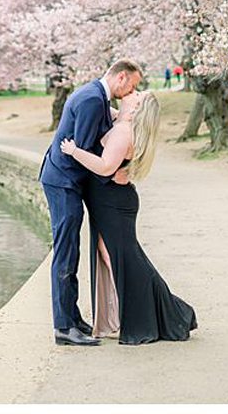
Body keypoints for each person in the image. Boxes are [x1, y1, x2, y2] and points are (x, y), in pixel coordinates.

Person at [64, 88, 199, 345]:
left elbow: (105, 167)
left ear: (137, 108)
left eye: (137, 94)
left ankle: (171, 313)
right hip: (110, 201)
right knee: (111, 255)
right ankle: (144, 312)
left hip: (113, 203)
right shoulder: (121, 121)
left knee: (126, 259)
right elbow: (103, 108)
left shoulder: (124, 133)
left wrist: (74, 152)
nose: (132, 92)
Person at [42, 59, 140, 345]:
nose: (131, 91)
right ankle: (63, 327)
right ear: (121, 77)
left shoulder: (96, 98)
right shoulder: (92, 100)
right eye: (132, 85)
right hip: (63, 182)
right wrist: (110, 175)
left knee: (71, 250)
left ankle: (72, 319)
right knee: (66, 252)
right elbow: (83, 148)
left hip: (67, 180)